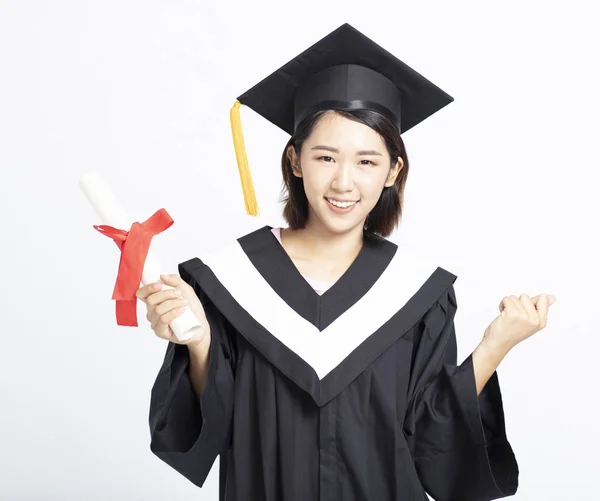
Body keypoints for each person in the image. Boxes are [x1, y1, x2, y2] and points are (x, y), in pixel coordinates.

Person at [136, 23, 555, 501]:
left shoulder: (419, 294)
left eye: (367, 161)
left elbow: (432, 446)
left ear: (394, 171)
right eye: (325, 157)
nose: (343, 183)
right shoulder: (228, 282)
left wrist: (494, 346)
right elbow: (208, 428)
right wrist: (199, 341)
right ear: (295, 161)